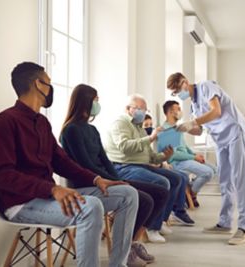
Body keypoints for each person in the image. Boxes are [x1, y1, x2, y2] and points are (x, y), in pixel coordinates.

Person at [0, 62, 138, 267]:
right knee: (90, 207)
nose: (50, 88)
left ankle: (118, 264)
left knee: (128, 194)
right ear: (39, 84)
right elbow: (3, 176)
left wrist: (96, 179)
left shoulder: (42, 123)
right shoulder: (5, 122)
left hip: (47, 196)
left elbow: (61, 161)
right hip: (21, 204)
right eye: (49, 83)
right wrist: (52, 188)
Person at [60, 84, 169, 266]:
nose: (97, 104)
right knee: (145, 199)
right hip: (87, 184)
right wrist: (113, 181)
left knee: (160, 193)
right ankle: (123, 255)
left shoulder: (92, 130)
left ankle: (132, 244)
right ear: (85, 102)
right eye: (95, 100)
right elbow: (85, 164)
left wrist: (118, 180)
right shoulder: (71, 131)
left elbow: (105, 160)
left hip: (106, 180)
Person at [166, 72, 245, 245]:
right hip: (220, 140)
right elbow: (198, 130)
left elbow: (216, 111)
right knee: (225, 181)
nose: (178, 94)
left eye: (178, 89)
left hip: (235, 132)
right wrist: (181, 127)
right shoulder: (194, 105)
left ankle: (244, 226)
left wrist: (193, 123)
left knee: (239, 179)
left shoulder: (206, 87)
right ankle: (225, 222)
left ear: (185, 82)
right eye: (174, 93)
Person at [104, 94, 195, 243]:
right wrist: (151, 138)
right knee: (162, 182)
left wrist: (163, 156)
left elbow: (149, 155)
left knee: (176, 178)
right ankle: (152, 227)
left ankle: (161, 221)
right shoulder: (120, 123)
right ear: (128, 109)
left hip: (140, 165)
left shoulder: (138, 126)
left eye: (146, 109)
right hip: (123, 166)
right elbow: (125, 147)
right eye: (141, 109)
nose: (144, 112)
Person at [159, 100, 214, 207]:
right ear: (170, 112)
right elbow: (174, 154)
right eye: (178, 109)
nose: (181, 111)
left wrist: (195, 155)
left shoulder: (177, 128)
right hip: (177, 162)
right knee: (208, 173)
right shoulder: (165, 131)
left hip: (186, 159)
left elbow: (184, 147)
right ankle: (192, 195)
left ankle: (190, 189)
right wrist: (193, 157)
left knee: (214, 169)